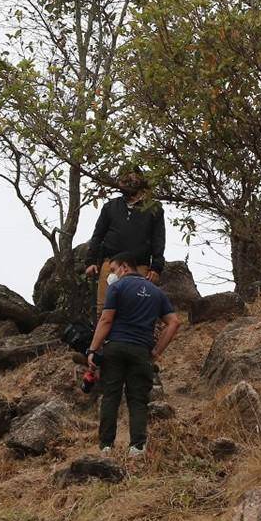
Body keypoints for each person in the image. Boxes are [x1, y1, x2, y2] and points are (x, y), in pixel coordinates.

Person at [87, 252, 180, 458]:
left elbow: (106, 320)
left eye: (113, 270)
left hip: (116, 348)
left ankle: (106, 447)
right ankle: (137, 448)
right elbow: (174, 322)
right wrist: (156, 351)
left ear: (124, 267)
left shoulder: (117, 287)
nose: (111, 275)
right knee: (138, 399)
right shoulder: (157, 293)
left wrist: (92, 349)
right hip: (141, 351)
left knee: (111, 395)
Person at [84, 171, 166, 319]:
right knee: (104, 309)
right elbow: (97, 235)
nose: (127, 189)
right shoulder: (110, 207)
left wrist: (156, 267)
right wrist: (90, 261)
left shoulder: (154, 209)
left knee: (136, 309)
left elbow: (158, 240)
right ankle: (103, 342)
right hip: (111, 263)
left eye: (131, 184)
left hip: (139, 266)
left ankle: (132, 341)